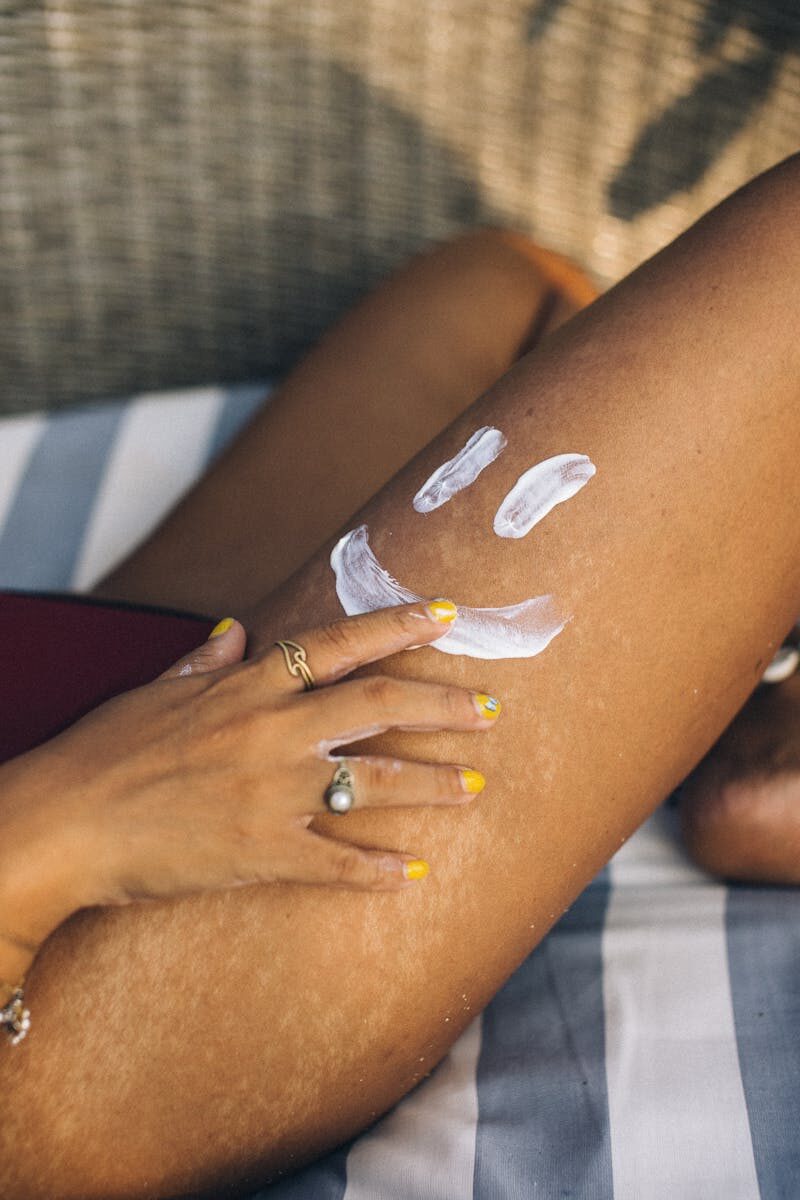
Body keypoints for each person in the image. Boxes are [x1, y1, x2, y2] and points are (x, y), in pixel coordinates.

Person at [2, 150, 800, 1197]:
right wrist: (59, 830)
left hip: (47, 686)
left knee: (501, 290)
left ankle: (738, 663)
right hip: (44, 972)